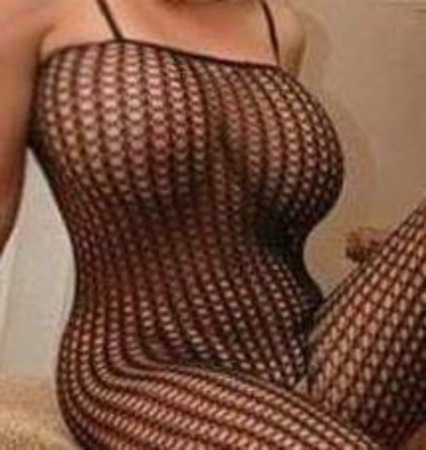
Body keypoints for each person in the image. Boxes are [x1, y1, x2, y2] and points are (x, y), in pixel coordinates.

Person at [0, 0, 424, 448]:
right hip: (144, 366)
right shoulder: (33, 11)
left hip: (312, 349)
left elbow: (246, 215)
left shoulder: (279, 25)